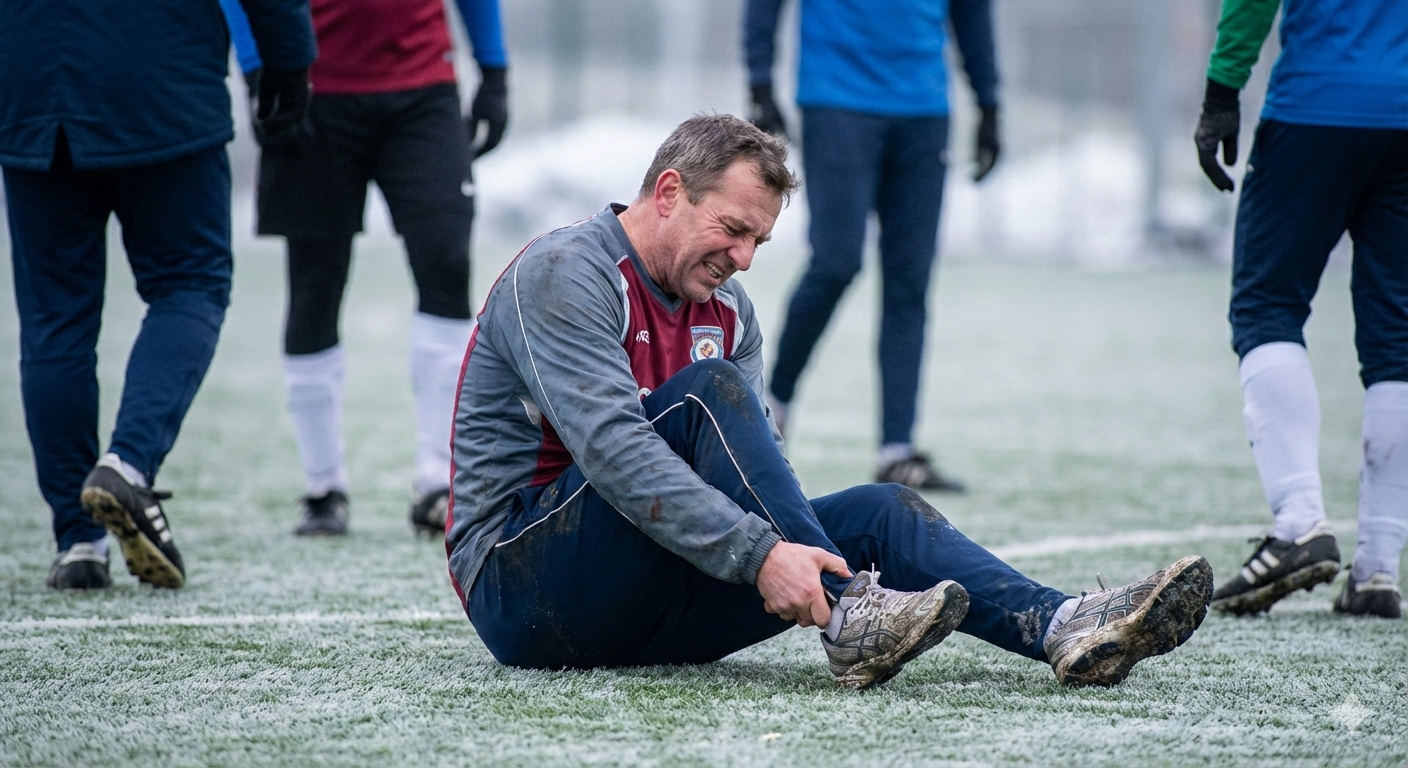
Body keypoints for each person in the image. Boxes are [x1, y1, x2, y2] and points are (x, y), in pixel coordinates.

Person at [446, 115, 1212, 688]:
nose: (742, 259)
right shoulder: (566, 273)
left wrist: (776, 549)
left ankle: (1063, 625)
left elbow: (747, 472)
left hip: (648, 600)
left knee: (884, 511)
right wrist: (759, 555)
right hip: (523, 592)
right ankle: (851, 614)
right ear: (670, 192)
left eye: (759, 244)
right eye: (733, 229)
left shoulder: (730, 310)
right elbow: (616, 454)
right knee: (708, 395)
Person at [0, 0, 316, 590]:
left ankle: (79, 542)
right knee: (192, 282)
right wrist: (289, 64)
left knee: (54, 322)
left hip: (30, 88)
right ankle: (128, 463)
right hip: (159, 83)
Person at [244, 0, 509, 536]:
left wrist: (494, 68)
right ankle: (323, 488)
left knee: (447, 262)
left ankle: (438, 480)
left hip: (422, 90)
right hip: (311, 87)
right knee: (315, 285)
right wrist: (260, 69)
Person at [1194, 0, 1408, 618]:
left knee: (1266, 307)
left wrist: (1220, 92)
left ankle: (1298, 524)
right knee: (1397, 341)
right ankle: (1377, 569)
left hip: (1317, 104)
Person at [743, 0, 1001, 491]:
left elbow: (972, 12)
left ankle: (896, 452)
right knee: (835, 263)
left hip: (924, 110)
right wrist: (759, 80)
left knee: (910, 280)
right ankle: (773, 406)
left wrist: (989, 103)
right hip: (836, 100)